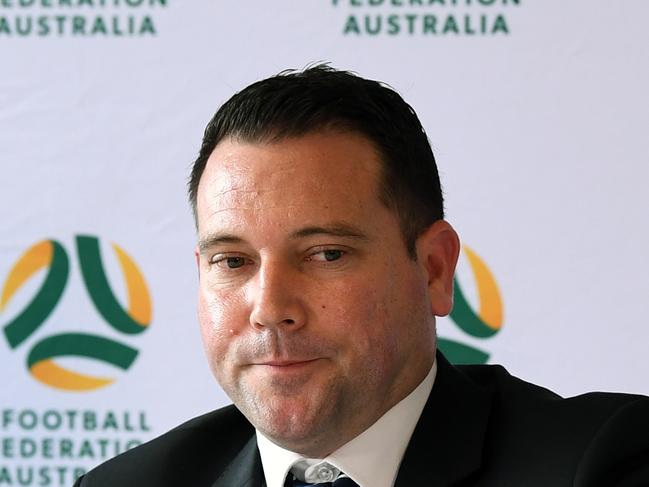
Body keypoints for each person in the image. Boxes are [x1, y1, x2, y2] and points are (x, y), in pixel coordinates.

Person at [74, 66, 649, 487]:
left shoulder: (599, 463)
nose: (270, 307)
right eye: (233, 261)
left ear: (434, 270)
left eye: (326, 254)